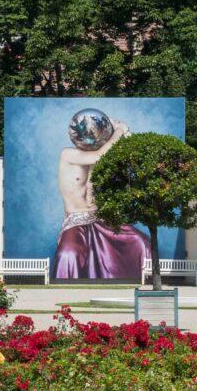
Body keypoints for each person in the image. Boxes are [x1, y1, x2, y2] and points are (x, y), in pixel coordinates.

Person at [54, 118, 150, 279]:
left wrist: (124, 134)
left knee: (141, 241)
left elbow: (127, 153)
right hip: (76, 221)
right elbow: (99, 155)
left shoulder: (105, 157)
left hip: (101, 218)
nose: (92, 137)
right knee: (68, 253)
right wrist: (120, 130)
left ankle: (145, 281)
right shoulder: (68, 154)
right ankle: (65, 292)